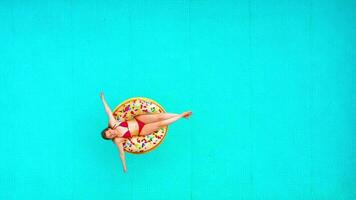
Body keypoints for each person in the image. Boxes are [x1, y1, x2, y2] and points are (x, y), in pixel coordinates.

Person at [100, 92, 192, 173]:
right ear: (110, 138)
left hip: (139, 120)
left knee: (159, 117)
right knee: (160, 124)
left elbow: (108, 111)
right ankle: (181, 115)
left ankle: (182, 115)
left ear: (109, 129)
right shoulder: (118, 140)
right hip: (142, 130)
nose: (112, 134)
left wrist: (103, 99)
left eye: (110, 132)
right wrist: (124, 166)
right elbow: (121, 153)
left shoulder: (114, 123)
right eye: (110, 136)